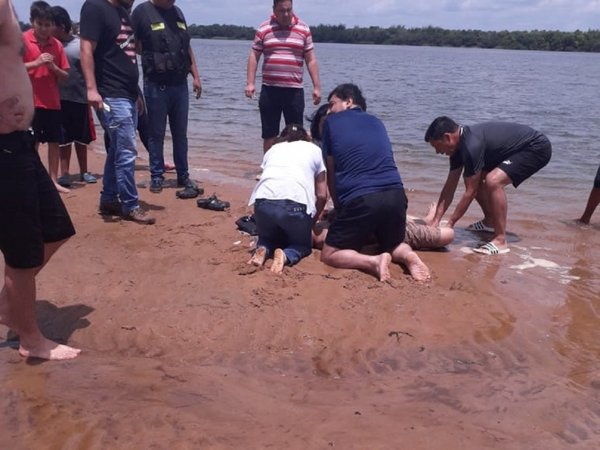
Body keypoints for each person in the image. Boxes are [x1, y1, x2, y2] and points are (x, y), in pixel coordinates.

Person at [0, 0, 80, 360]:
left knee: (57, 227)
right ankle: (30, 339)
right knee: (21, 250)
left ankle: (8, 306)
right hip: (3, 146)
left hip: (20, 141)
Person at [320, 83, 430, 282]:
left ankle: (373, 261)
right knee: (393, 243)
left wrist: (339, 208)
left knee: (329, 254)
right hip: (396, 196)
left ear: (348, 102)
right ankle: (409, 256)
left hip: (362, 198)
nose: (329, 109)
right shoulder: (377, 122)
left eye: (332, 103)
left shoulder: (330, 122)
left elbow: (331, 170)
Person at [424, 116, 552, 255]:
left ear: (447, 137)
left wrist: (450, 225)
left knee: (493, 181)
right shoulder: (457, 150)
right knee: (476, 178)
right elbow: (450, 186)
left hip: (536, 147)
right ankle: (490, 222)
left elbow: (470, 192)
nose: (437, 152)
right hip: (513, 149)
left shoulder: (471, 145)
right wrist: (436, 221)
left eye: (436, 146)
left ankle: (501, 240)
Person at [80, 0, 156, 224]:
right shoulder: (95, 7)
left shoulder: (123, 13)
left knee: (117, 149)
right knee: (126, 151)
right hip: (110, 93)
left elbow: (128, 55)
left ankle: (109, 198)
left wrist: (135, 94)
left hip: (127, 93)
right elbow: (86, 49)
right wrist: (92, 89)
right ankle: (130, 204)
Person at [131, 0, 202, 195]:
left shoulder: (178, 12)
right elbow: (132, 45)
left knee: (181, 134)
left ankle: (183, 175)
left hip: (180, 85)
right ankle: (156, 176)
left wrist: (195, 76)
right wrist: (153, 55)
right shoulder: (142, 12)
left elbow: (187, 48)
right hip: (156, 85)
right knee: (156, 134)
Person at [248, 124, 327, 273]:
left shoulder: (273, 149)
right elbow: (322, 195)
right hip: (295, 205)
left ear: (282, 137)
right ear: (306, 138)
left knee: (268, 237)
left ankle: (263, 248)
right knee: (302, 245)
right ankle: (286, 255)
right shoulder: (315, 150)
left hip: (262, 202)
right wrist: (313, 220)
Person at [245, 0, 321, 153]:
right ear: (274, 10)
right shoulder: (264, 28)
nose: (286, 14)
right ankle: (268, 167)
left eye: (289, 10)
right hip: (270, 90)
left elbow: (311, 59)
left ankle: (296, 169)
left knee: (296, 134)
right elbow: (254, 55)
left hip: (294, 91)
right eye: (281, 10)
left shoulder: (303, 29)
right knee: (269, 133)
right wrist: (250, 83)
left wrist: (316, 86)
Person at [22, 0, 70, 194]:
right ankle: (32, 179)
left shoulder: (56, 45)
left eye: (47, 24)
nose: (43, 28)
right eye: (40, 24)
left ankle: (52, 180)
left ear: (53, 25)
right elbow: (12, 68)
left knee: (53, 142)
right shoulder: (23, 41)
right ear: (32, 22)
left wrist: (53, 67)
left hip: (52, 102)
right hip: (28, 102)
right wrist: (36, 63)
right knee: (30, 142)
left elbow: (66, 78)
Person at [50, 5, 97, 187]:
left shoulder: (79, 46)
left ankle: (84, 171)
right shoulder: (51, 45)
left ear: (61, 25)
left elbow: (90, 70)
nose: (48, 29)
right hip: (58, 99)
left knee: (81, 138)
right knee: (63, 139)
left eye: (51, 25)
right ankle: (65, 174)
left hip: (79, 98)